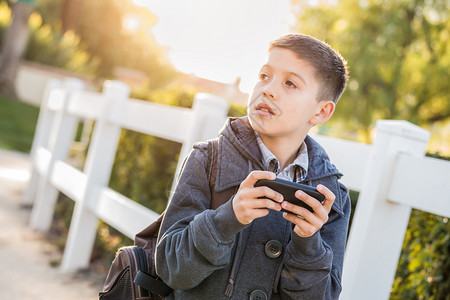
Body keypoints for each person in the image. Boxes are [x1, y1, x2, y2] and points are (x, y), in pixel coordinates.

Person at [155, 33, 351, 299]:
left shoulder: (332, 197)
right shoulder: (207, 159)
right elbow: (170, 269)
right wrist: (228, 218)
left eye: (290, 83)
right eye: (264, 76)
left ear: (321, 112)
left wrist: (308, 243)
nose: (268, 89)